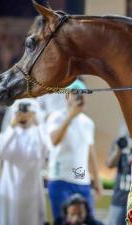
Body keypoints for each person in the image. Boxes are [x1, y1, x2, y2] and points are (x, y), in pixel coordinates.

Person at [46, 80, 102, 222]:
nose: (79, 96)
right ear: (66, 96)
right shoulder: (56, 117)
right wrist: (71, 116)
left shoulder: (88, 122)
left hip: (82, 181)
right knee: (63, 221)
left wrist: (97, 182)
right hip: (60, 180)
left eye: (82, 93)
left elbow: (90, 152)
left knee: (88, 220)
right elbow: (54, 140)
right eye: (75, 93)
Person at [0, 99, 50, 225]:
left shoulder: (37, 134)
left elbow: (45, 151)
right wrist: (12, 125)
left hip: (32, 191)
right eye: (20, 112)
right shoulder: (9, 133)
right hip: (9, 190)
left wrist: (37, 122)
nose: (23, 116)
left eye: (27, 112)